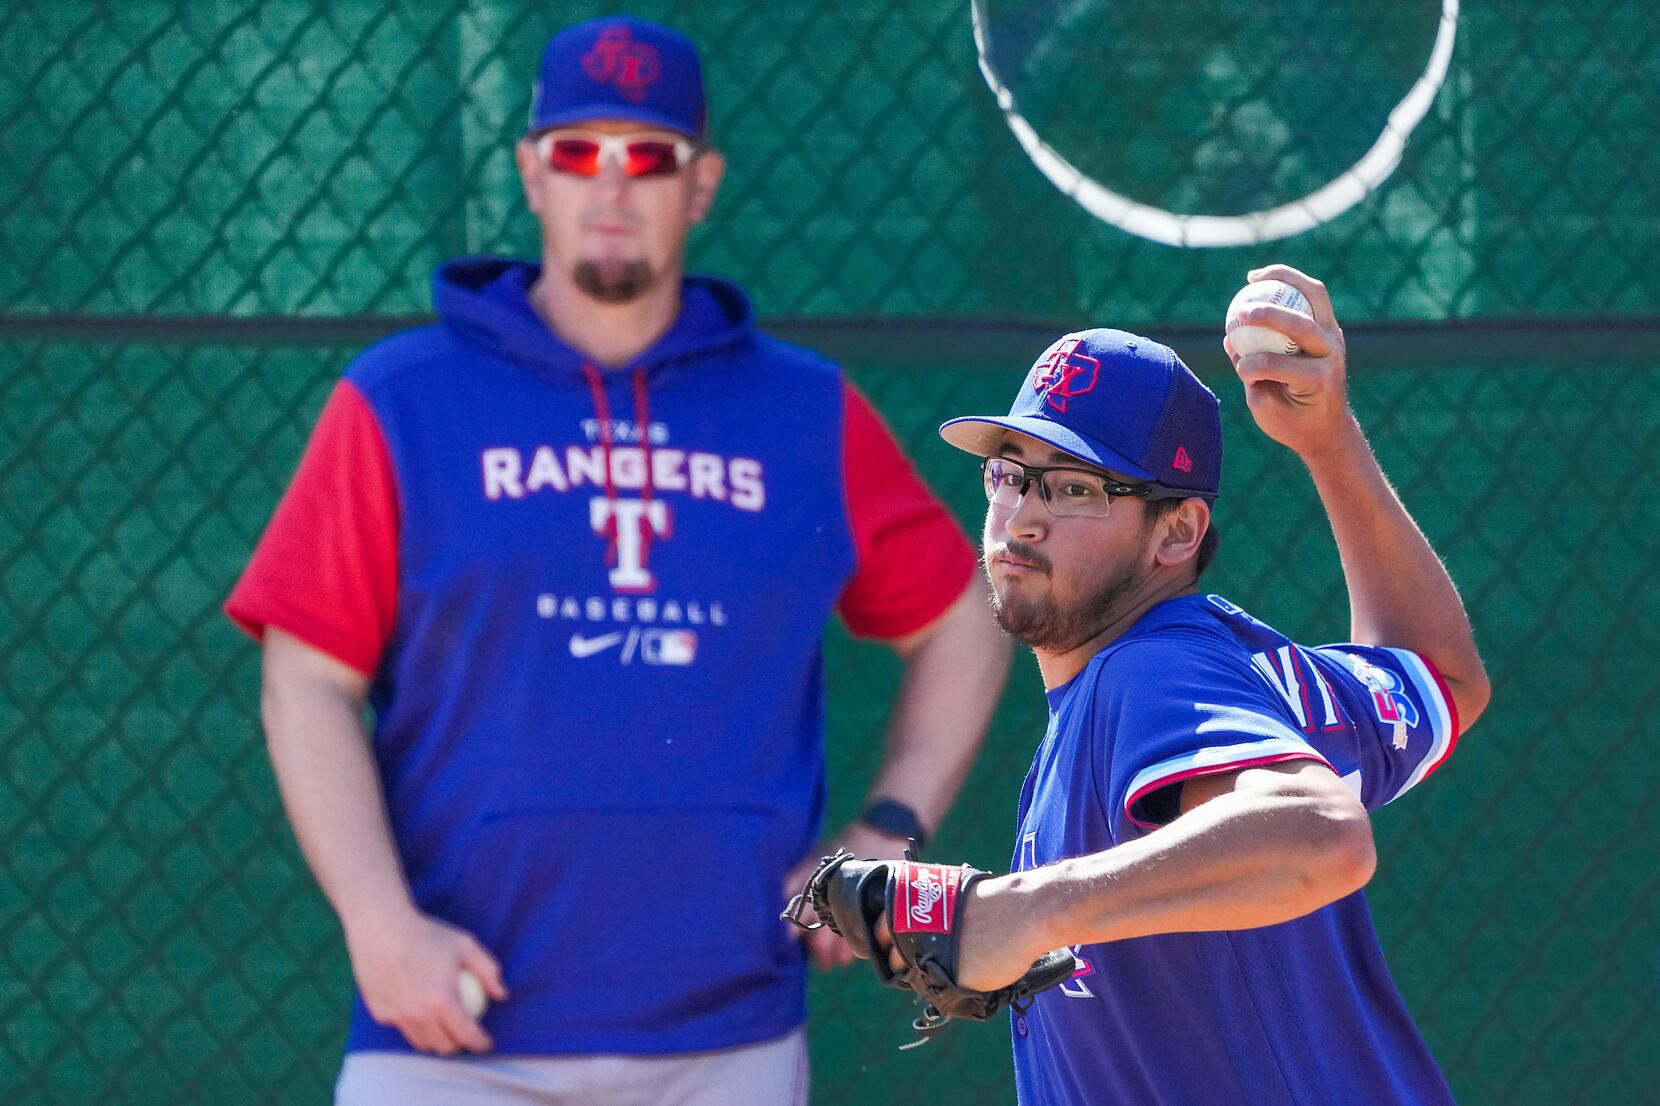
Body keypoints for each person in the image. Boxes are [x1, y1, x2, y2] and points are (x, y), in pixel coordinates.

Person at [224, 16, 1009, 1104]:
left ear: (700, 183)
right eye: (576, 152)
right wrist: (377, 919)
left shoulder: (802, 410)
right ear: (530, 175)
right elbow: (306, 675)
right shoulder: (401, 401)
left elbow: (960, 614)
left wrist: (886, 827)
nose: (611, 184)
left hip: (724, 1029)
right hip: (447, 1026)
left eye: (647, 156)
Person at [850, 266, 1490, 1103]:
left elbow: (1321, 833)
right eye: (1010, 473)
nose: (1023, 515)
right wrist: (1327, 443)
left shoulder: (1151, 673)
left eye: (1075, 487)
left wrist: (1024, 910)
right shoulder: (1246, 671)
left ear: (1177, 531)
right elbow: (1438, 675)